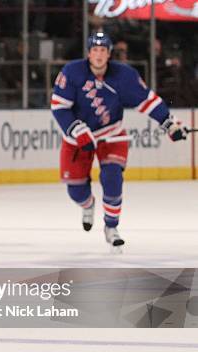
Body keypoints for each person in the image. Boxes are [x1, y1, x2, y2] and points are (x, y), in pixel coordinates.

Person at [51, 32, 189, 250]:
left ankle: (111, 227)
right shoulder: (72, 72)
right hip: (77, 137)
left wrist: (169, 124)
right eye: (95, 50)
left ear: (109, 53)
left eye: (103, 50)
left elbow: (148, 101)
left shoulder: (124, 75)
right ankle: (88, 206)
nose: (98, 54)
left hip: (111, 133)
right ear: (88, 53)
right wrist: (77, 130)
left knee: (112, 176)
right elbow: (59, 107)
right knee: (76, 190)